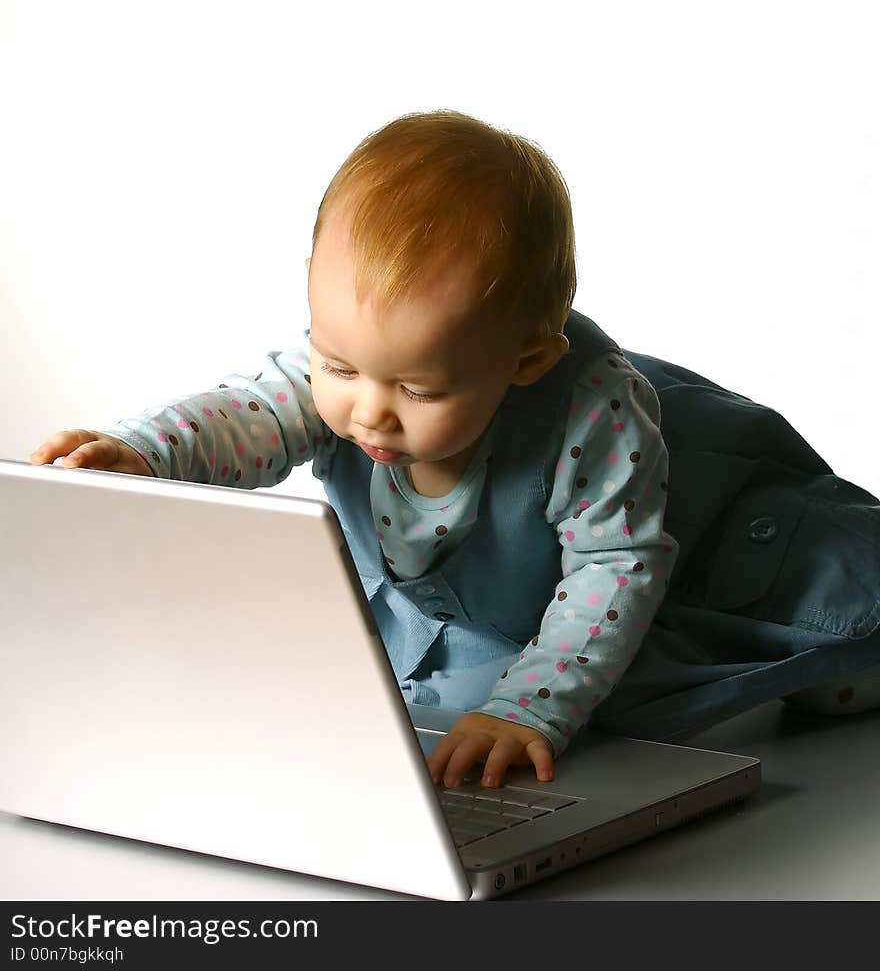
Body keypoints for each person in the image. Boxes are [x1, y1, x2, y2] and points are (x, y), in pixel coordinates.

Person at [28, 109, 880, 790]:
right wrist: (140, 453)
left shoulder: (591, 409)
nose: (368, 413)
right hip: (481, 605)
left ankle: (844, 653)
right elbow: (245, 414)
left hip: (696, 540)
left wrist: (530, 709)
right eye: (336, 364)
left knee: (815, 605)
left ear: (526, 360)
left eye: (419, 390)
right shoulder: (357, 372)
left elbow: (613, 569)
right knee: (429, 693)